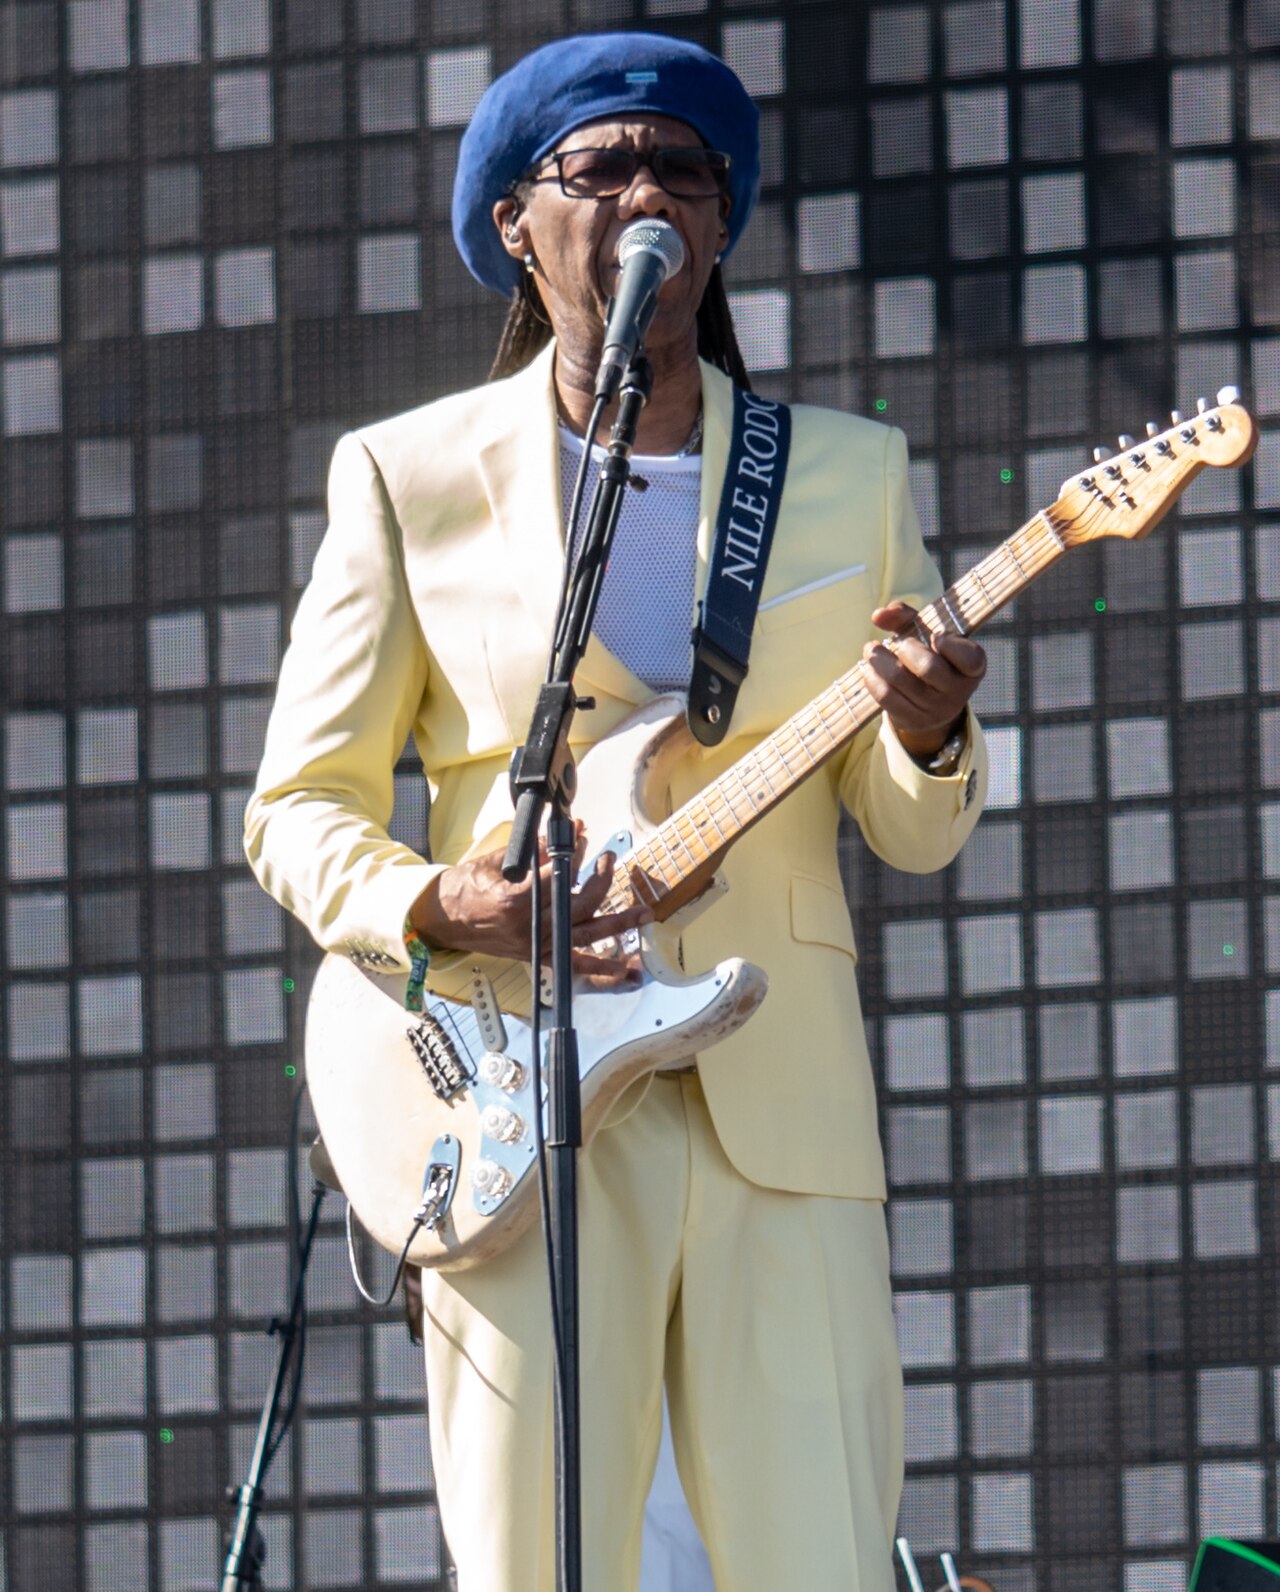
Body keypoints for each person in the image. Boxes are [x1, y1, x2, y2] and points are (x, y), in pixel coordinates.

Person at [244, 31, 989, 1592]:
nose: (648, 191)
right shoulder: (406, 475)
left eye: (684, 170)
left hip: (778, 1114)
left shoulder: (851, 475)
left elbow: (913, 827)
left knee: (821, 1563)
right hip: (516, 1104)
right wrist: (447, 907)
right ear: (520, 223)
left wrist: (929, 732)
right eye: (604, 168)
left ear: (718, 227)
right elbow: (300, 810)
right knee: (538, 1569)